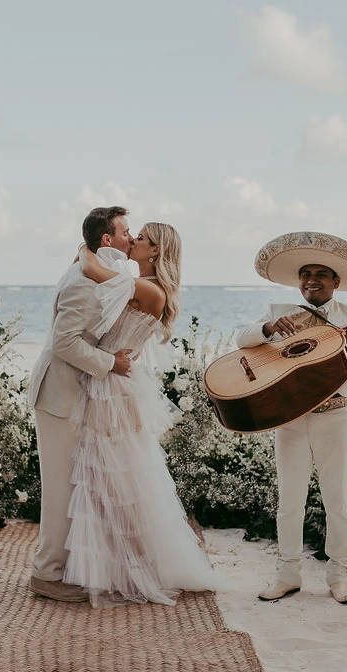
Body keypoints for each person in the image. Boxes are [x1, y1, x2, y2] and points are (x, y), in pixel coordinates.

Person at [65, 221, 223, 606]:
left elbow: (90, 268)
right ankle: (121, 565)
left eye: (142, 239)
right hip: (112, 381)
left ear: (155, 252)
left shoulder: (149, 290)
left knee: (118, 484)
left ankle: (136, 569)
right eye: (132, 235)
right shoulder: (138, 283)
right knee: (112, 481)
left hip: (115, 391)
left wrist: (91, 244)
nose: (133, 241)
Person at [235, 232, 347, 604]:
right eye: (306, 273)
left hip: (334, 418)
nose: (312, 280)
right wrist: (269, 330)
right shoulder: (278, 314)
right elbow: (242, 339)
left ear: (336, 282)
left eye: (322, 274)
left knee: (336, 500)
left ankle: (340, 576)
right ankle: (287, 574)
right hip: (289, 419)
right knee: (290, 499)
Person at [26, 206, 135, 602]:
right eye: (126, 232)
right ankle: (46, 575)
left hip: (68, 394)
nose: (131, 238)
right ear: (107, 241)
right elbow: (64, 342)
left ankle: (60, 568)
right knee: (59, 490)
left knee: (70, 486)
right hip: (58, 397)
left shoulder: (88, 268)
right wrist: (111, 363)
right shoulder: (83, 283)